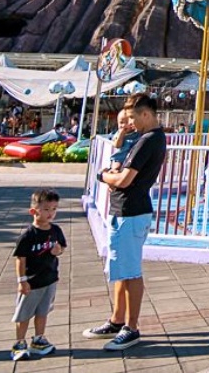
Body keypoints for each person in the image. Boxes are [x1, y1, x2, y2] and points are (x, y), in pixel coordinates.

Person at [83, 94, 166, 351]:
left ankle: (132, 326)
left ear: (145, 114)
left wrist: (103, 176)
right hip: (123, 210)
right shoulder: (144, 139)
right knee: (120, 268)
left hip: (132, 210)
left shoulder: (149, 140)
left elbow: (124, 179)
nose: (130, 122)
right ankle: (117, 319)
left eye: (132, 117)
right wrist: (113, 176)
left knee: (130, 271)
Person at [11, 189, 67, 361]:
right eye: (46, 209)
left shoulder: (56, 230)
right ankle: (19, 343)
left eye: (54, 209)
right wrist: (22, 281)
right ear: (34, 211)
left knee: (43, 312)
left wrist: (59, 251)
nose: (51, 213)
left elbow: (61, 248)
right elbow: (21, 259)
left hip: (49, 279)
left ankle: (38, 339)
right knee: (24, 314)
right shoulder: (28, 235)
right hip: (32, 282)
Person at [110, 103, 140, 171]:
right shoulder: (118, 133)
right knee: (116, 167)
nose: (123, 125)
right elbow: (117, 145)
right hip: (119, 158)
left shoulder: (137, 133)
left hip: (131, 159)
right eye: (121, 122)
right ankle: (113, 173)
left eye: (126, 122)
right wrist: (121, 134)